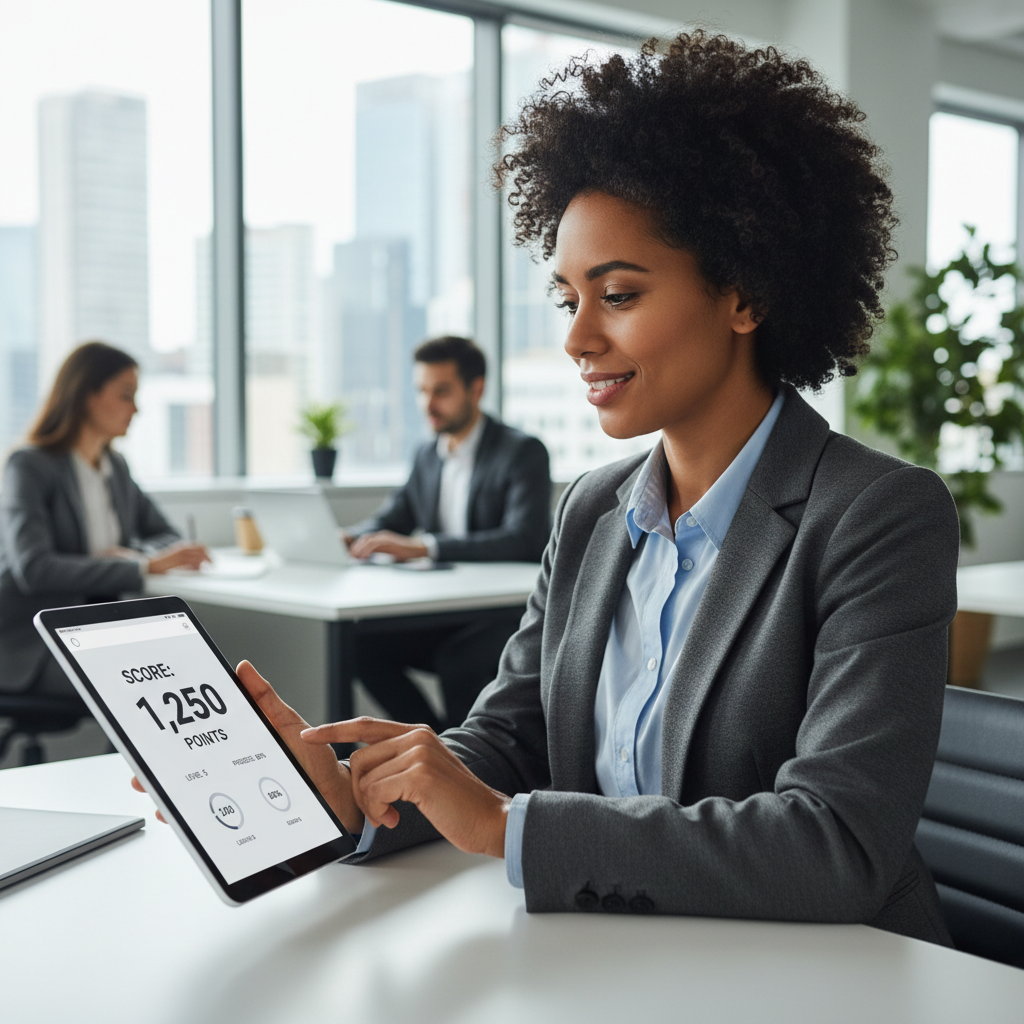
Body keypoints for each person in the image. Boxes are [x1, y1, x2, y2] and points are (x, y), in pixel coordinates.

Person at [137, 33, 958, 944]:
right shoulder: (593, 511)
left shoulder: (877, 516)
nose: (576, 340)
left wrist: (507, 826)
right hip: (618, 958)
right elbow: (509, 744)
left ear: (745, 293)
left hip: (830, 977)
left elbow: (837, 844)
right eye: (569, 300)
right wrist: (357, 793)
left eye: (618, 295)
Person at [343, 335, 551, 729]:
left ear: (477, 388)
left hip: (501, 615)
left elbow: (524, 538)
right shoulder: (427, 454)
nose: (428, 405)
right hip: (443, 611)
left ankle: (456, 761)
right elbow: (395, 516)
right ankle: (433, 741)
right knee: (356, 646)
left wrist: (426, 548)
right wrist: (351, 537)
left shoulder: (522, 452)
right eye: (422, 391)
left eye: (441, 391)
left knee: (459, 662)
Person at [0, 341, 209, 702]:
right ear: (86, 396)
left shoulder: (115, 467)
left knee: (183, 674)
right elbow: (33, 569)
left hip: (97, 634)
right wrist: (141, 566)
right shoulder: (30, 466)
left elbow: (164, 534)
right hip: (29, 645)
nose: (136, 409)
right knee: (151, 689)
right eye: (126, 395)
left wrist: (133, 554)